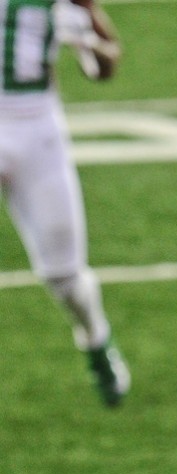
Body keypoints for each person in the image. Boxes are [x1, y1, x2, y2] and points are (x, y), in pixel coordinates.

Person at [0, 0, 128, 405]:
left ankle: (95, 337)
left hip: (37, 132)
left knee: (64, 275)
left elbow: (108, 64)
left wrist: (85, 36)